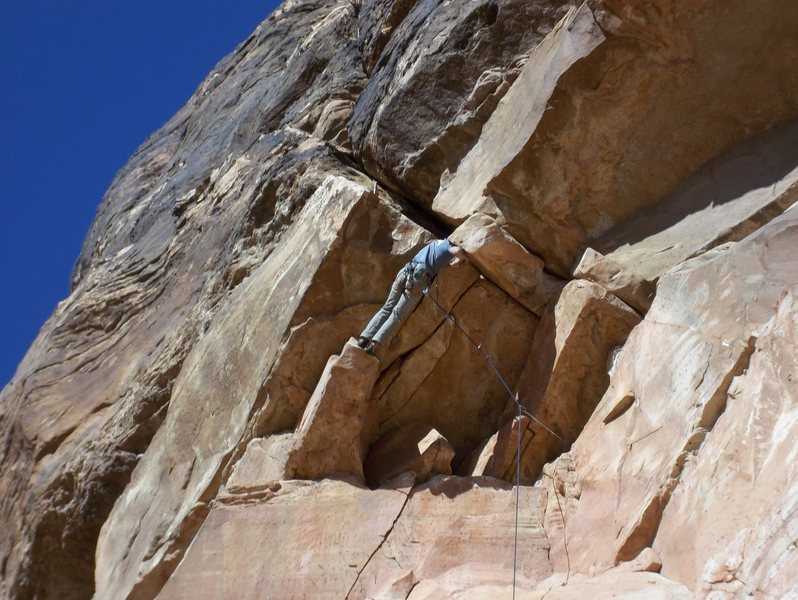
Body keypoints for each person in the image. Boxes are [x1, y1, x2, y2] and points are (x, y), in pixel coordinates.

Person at [358, 238, 467, 356]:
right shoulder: (447, 247)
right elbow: (457, 250)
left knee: (386, 308)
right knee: (397, 315)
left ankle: (364, 338)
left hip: (405, 272)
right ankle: (373, 346)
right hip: (417, 280)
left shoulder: (436, 243)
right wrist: (464, 258)